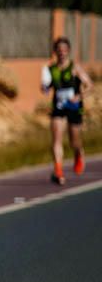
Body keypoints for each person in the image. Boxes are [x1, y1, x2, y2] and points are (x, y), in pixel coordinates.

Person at [41, 36, 93, 185]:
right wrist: (44, 87)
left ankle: (78, 154)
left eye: (64, 50)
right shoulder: (51, 69)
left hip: (74, 107)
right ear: (55, 52)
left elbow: (89, 85)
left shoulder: (74, 67)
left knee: (73, 141)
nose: (62, 52)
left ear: (68, 51)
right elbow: (46, 87)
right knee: (56, 138)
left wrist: (78, 96)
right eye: (59, 50)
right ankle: (58, 170)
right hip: (58, 107)